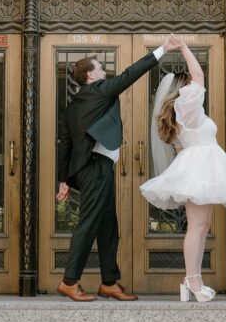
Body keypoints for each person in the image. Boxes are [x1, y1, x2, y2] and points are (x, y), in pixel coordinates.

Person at [56, 34, 180, 302]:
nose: (104, 70)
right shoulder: (99, 90)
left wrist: (63, 180)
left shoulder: (73, 106)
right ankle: (69, 281)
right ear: (90, 75)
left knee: (107, 226)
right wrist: (162, 49)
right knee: (89, 223)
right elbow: (130, 74)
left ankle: (109, 282)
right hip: (96, 168)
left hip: (92, 169)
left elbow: (64, 144)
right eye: (100, 67)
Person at [140, 36, 226, 302]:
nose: (196, 87)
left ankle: (191, 280)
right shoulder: (188, 107)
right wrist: (183, 48)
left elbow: (181, 149)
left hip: (198, 167)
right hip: (199, 169)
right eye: (191, 86)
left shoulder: (184, 114)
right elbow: (199, 75)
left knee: (202, 225)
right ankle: (192, 280)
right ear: (185, 90)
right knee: (197, 226)